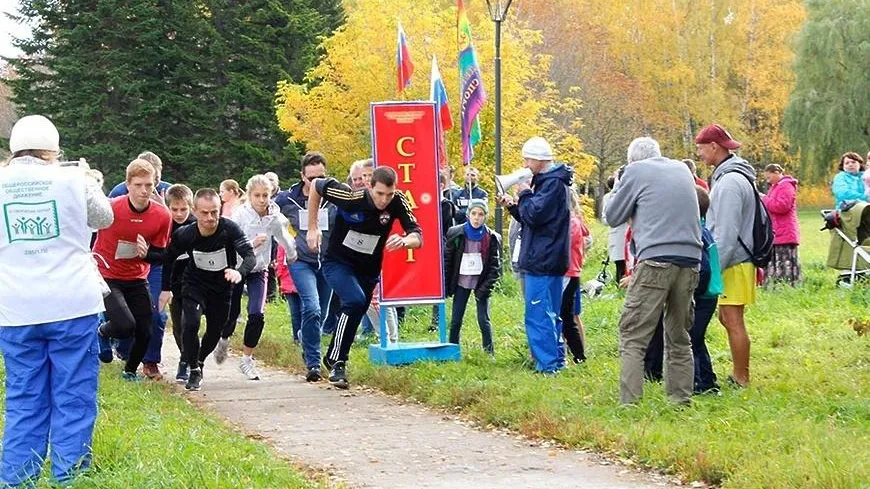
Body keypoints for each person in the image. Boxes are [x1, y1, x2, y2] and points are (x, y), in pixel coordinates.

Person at [0, 115, 113, 486]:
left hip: (16, 308)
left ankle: (17, 479)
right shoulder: (72, 178)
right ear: (54, 149)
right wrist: (91, 181)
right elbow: (104, 218)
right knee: (73, 395)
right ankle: (70, 477)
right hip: (71, 304)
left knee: (24, 397)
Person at [605, 136, 702, 404]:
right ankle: (680, 400)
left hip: (656, 260)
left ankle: (630, 403)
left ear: (632, 160)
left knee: (633, 334)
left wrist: (619, 183)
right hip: (691, 259)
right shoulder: (683, 169)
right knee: (679, 335)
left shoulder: (635, 171)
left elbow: (612, 216)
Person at [306, 167, 422, 388]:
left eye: (389, 194)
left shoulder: (397, 200)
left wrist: (405, 241)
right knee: (355, 301)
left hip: (368, 269)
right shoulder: (350, 196)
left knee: (357, 308)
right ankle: (339, 363)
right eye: (379, 194)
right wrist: (312, 228)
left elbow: (417, 233)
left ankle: (333, 357)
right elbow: (316, 186)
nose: (384, 200)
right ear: (370, 187)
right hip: (338, 262)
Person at [159, 188, 257, 390]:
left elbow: (249, 255)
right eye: (204, 213)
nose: (210, 218)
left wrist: (239, 272)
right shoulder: (185, 234)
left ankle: (200, 361)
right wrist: (165, 288)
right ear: (195, 211)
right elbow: (167, 259)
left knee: (214, 331)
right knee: (190, 324)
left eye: (214, 212)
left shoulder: (229, 229)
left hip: (222, 289)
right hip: (194, 284)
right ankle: (193, 369)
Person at [498, 137, 572, 374]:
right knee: (551, 313)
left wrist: (525, 193)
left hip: (543, 260)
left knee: (538, 314)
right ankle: (557, 360)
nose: (525, 164)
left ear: (539, 160)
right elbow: (532, 220)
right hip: (549, 257)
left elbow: (535, 214)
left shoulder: (551, 185)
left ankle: (547, 366)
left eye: (528, 159)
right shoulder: (552, 182)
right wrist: (513, 206)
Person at [93, 159, 172, 380]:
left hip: (136, 276)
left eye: (148, 185)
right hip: (107, 274)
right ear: (128, 185)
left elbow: (161, 255)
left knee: (147, 328)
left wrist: (146, 254)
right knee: (125, 325)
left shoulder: (162, 216)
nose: (144, 191)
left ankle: (129, 371)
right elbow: (89, 232)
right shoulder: (110, 208)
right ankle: (102, 331)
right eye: (138, 185)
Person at [215, 175, 297, 380]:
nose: (262, 200)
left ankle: (247, 359)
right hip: (238, 268)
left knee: (257, 314)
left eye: (266, 195)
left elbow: (284, 237)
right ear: (249, 196)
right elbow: (228, 242)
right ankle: (223, 339)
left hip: (259, 270)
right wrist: (251, 244)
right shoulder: (239, 215)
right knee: (231, 314)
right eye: (257, 196)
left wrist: (293, 254)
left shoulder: (275, 217)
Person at [696, 123, 755, 387]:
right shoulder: (727, 176)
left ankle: (741, 377)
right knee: (727, 318)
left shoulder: (730, 181)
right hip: (735, 259)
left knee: (732, 319)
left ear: (714, 147)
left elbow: (728, 231)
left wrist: (715, 266)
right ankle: (739, 373)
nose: (698, 154)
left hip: (735, 260)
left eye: (700, 148)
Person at [275, 152, 337, 382]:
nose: (316, 183)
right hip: (301, 262)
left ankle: (305, 336)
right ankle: (313, 363)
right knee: (312, 308)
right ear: (302, 176)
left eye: (320, 177)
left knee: (321, 312)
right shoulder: (287, 199)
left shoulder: (334, 196)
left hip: (328, 263)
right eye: (311, 178)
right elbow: (268, 216)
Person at [444, 199, 502, 354]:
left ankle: (489, 353)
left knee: (484, 320)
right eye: (474, 214)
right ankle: (452, 350)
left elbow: (495, 267)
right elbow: (448, 260)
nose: (477, 218)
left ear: (485, 217)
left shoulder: (492, 237)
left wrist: (485, 288)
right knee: (456, 319)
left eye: (481, 214)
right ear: (468, 214)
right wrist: (446, 285)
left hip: (480, 282)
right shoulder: (456, 233)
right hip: (462, 281)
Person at [163, 184, 196, 382]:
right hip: (173, 280)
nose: (179, 214)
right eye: (174, 209)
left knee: (189, 321)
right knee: (177, 325)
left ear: (190, 207)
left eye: (183, 209)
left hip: (194, 280)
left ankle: (187, 361)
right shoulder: (164, 225)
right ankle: (185, 356)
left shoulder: (196, 224)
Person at [562, 191, 591, 364]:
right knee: (566, 315)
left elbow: (564, 243)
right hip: (569, 272)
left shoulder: (572, 222)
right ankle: (574, 353)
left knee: (567, 315)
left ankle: (579, 354)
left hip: (569, 273)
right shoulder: (573, 221)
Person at [761, 164, 801, 286]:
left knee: (784, 260)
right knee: (777, 259)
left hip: (785, 232)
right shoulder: (776, 187)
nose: (768, 180)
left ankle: (786, 284)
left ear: (776, 172)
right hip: (778, 231)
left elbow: (782, 206)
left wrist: (764, 199)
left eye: (769, 177)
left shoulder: (786, 186)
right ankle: (776, 284)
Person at [601, 175, 628, 282]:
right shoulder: (608, 198)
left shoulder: (629, 195)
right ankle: (620, 289)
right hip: (618, 237)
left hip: (628, 237)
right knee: (620, 267)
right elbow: (605, 220)